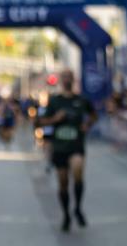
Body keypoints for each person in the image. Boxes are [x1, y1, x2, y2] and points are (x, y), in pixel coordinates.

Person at [36, 69, 97, 232]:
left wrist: (87, 125)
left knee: (77, 171)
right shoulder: (55, 101)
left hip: (76, 145)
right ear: (61, 80)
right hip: (60, 147)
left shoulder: (81, 100)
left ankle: (77, 208)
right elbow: (41, 122)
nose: (67, 80)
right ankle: (66, 215)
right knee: (63, 183)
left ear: (74, 79)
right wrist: (56, 119)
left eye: (70, 77)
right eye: (64, 77)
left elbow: (93, 115)